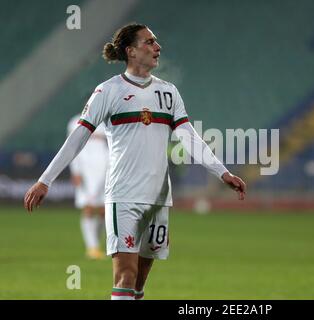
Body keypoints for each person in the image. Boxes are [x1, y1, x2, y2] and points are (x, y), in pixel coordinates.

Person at [24, 23, 246, 300]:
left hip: (158, 198)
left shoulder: (169, 93)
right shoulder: (108, 91)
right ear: (130, 51)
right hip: (124, 195)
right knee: (125, 275)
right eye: (149, 42)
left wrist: (222, 172)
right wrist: (45, 180)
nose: (157, 47)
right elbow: (77, 139)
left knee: (140, 280)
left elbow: (190, 138)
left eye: (156, 41)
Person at [67, 113, 109, 259]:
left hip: (105, 170)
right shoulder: (75, 122)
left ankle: (97, 246)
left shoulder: (107, 122)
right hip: (86, 171)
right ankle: (91, 247)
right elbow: (72, 147)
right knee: (89, 208)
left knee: (105, 210)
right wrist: (75, 170)